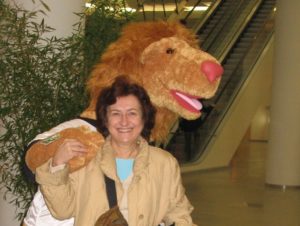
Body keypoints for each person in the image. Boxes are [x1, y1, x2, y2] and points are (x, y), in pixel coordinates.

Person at [35, 76, 196, 226]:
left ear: (144, 117)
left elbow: (178, 214)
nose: (124, 121)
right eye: (116, 113)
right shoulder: (86, 157)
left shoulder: (164, 163)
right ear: (105, 119)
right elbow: (62, 211)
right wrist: (57, 164)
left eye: (132, 113)